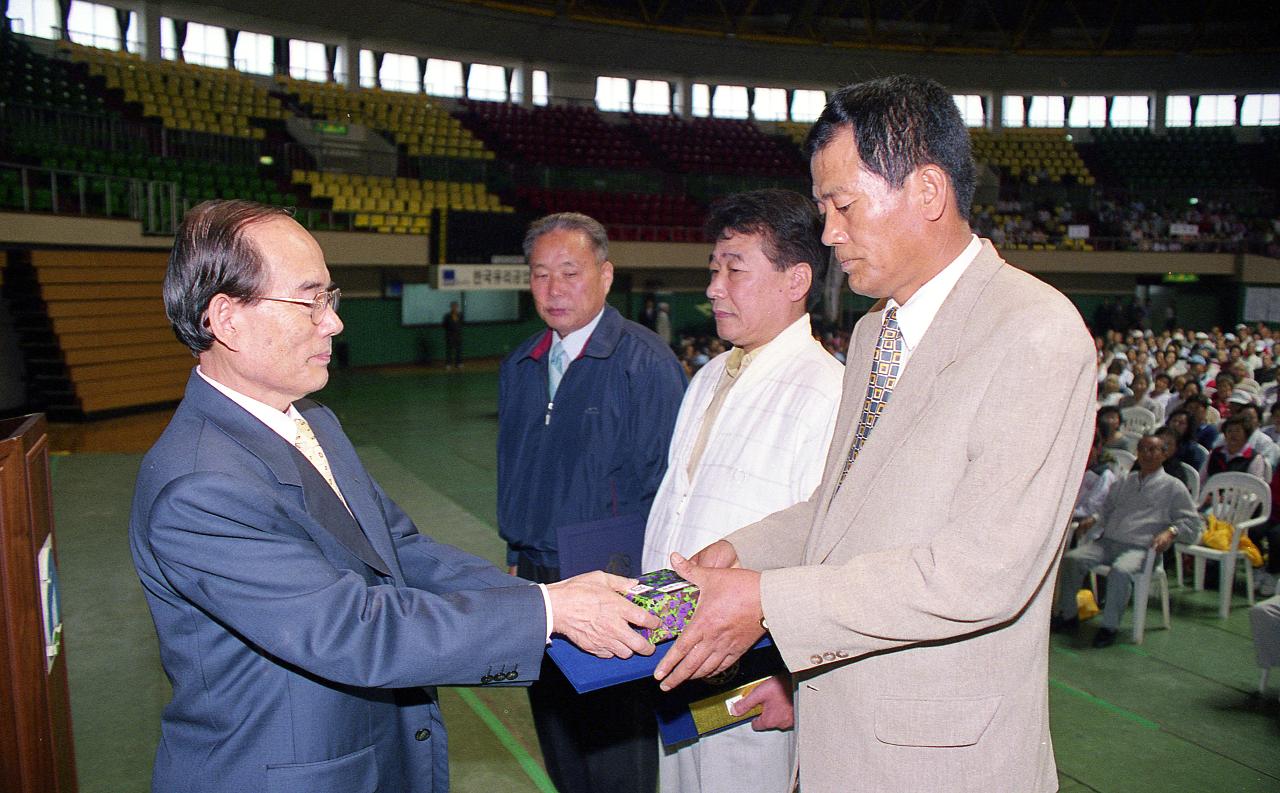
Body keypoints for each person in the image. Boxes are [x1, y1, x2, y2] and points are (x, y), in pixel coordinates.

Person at [651, 76, 1097, 793]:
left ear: (927, 191)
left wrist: (765, 598)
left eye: (843, 205)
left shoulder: (1033, 333)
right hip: (844, 735)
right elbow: (847, 505)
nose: (828, 231)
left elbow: (982, 573)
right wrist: (748, 550)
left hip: (944, 762)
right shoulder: (872, 334)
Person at [129, 200, 660, 793]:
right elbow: (351, 629)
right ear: (226, 318)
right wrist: (549, 614)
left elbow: (401, 551)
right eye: (310, 301)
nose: (333, 323)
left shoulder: (314, 421)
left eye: (330, 300)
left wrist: (542, 596)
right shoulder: (200, 487)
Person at [642, 189, 844, 793]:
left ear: (796, 280)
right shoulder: (707, 376)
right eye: (712, 270)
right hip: (676, 662)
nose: (714, 287)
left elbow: (831, 554)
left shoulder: (827, 392)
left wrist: (792, 681)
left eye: (735, 268)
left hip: (756, 681)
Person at [498, 211, 687, 793]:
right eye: (540, 275)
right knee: (562, 748)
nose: (553, 290)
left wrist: (656, 602)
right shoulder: (521, 364)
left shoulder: (644, 363)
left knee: (615, 756)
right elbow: (516, 471)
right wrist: (516, 553)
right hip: (538, 587)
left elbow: (667, 489)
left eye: (570, 273)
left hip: (613, 587)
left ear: (605, 276)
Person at [1053, 434, 1201, 648]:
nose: (1148, 455)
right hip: (1109, 542)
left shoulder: (1173, 487)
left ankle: (1109, 627)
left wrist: (1171, 531)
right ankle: (1068, 614)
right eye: (1143, 450)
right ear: (1137, 454)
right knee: (1073, 559)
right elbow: (1106, 510)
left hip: (1143, 548)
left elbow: (1192, 523)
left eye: (1154, 450)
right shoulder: (1125, 481)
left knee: (1121, 571)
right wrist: (1093, 519)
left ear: (1164, 454)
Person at [442, 300, 463, 369]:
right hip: (450, 335)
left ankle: (459, 363)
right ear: (451, 307)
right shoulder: (447, 316)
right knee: (449, 350)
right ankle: (448, 364)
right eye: (453, 306)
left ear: (457, 307)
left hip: (458, 335)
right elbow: (444, 325)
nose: (454, 308)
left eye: (456, 306)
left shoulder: (460, 315)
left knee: (458, 350)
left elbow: (461, 324)